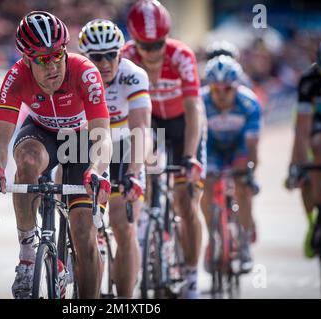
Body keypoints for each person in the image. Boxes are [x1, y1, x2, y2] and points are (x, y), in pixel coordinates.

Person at [0, 11, 113, 299]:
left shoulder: (85, 71)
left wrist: (96, 169)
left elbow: (102, 133)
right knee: (25, 162)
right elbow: (0, 140)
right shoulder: (15, 77)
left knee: (85, 237)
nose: (52, 65)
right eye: (41, 59)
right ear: (27, 59)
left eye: (56, 55)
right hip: (41, 133)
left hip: (80, 140)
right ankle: (27, 256)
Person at [123, 0, 206, 299]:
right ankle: (146, 217)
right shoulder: (126, 58)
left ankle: (192, 279)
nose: (153, 52)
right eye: (145, 45)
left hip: (184, 126)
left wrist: (190, 156)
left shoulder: (181, 55)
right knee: (140, 163)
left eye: (158, 43)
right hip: (151, 125)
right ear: (134, 42)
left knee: (186, 202)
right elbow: (126, 118)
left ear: (166, 38)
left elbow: (194, 107)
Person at [78, 19, 152, 298]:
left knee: (124, 229)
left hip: (124, 148)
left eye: (112, 54)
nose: (106, 62)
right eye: (97, 57)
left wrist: (133, 174)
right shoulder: (77, 74)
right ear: (86, 57)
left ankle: (124, 300)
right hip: (87, 146)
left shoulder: (133, 75)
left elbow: (141, 130)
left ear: (121, 52)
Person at [200, 55, 262, 274]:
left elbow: (252, 144)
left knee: (242, 185)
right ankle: (214, 236)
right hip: (213, 148)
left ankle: (244, 241)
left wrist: (250, 171)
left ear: (236, 87)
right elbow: (196, 140)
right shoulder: (200, 102)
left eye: (227, 89)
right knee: (205, 183)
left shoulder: (249, 103)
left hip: (239, 147)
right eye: (215, 89)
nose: (221, 95)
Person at [286, 36, 321, 258]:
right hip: (320, 123)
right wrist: (299, 163)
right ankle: (320, 213)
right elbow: (302, 129)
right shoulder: (309, 80)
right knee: (319, 146)